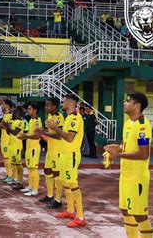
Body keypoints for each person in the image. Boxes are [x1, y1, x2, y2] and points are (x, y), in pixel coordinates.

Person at [104, 92, 153, 236]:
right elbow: (126, 146)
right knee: (125, 211)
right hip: (125, 175)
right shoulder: (128, 123)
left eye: (128, 101)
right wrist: (117, 148)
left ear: (137, 106)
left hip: (137, 177)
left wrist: (118, 154)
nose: (124, 103)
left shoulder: (143, 126)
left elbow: (144, 154)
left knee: (140, 216)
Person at [46, 93, 86, 228]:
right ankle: (70, 210)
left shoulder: (76, 118)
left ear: (70, 103)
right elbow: (62, 135)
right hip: (64, 154)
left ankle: (80, 216)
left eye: (63, 102)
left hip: (71, 155)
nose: (62, 104)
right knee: (66, 183)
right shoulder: (69, 118)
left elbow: (69, 137)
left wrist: (55, 128)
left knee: (73, 184)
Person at [37, 97, 64, 208]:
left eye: (48, 105)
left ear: (54, 106)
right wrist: (42, 134)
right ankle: (49, 195)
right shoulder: (49, 116)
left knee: (57, 174)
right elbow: (49, 132)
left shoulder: (59, 117)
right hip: (50, 149)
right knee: (47, 171)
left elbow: (59, 135)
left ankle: (58, 200)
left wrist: (45, 133)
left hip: (57, 150)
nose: (46, 107)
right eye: (45, 105)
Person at [20, 103, 42, 197]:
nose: (28, 110)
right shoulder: (31, 120)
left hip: (34, 147)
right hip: (29, 147)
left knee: (33, 168)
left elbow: (37, 135)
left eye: (30, 108)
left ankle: (35, 189)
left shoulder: (37, 120)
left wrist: (25, 136)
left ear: (35, 110)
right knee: (29, 168)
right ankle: (30, 186)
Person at [4, 107, 28, 189]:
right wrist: (8, 127)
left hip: (17, 145)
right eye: (15, 112)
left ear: (20, 114)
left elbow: (15, 132)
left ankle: (20, 182)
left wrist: (8, 126)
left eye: (17, 113)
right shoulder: (13, 121)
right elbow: (8, 132)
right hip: (11, 145)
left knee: (18, 164)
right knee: (13, 164)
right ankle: (15, 179)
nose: (15, 114)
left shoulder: (21, 122)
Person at [0, 99, 13, 183]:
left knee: (7, 158)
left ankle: (11, 175)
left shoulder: (9, 115)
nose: (1, 106)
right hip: (4, 139)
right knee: (5, 158)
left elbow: (5, 127)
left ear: (7, 105)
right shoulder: (5, 115)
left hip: (8, 140)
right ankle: (8, 174)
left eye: (3, 104)